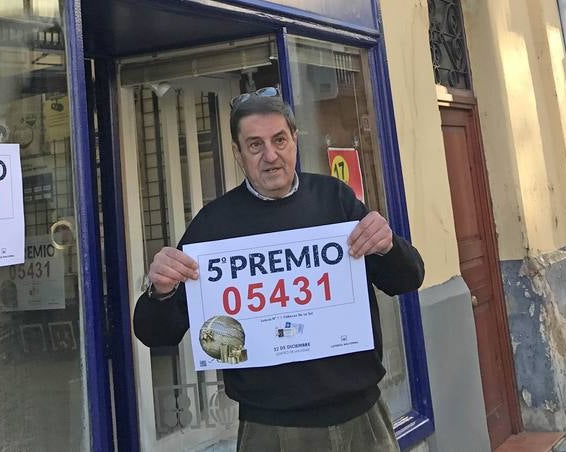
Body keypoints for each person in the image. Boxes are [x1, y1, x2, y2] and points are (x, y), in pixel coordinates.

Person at [132, 89, 425, 451]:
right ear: (238, 155)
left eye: (279, 140)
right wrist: (160, 289)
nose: (271, 156)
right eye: (254, 146)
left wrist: (388, 244)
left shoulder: (335, 200)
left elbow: (408, 278)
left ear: (295, 141)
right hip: (272, 429)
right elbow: (154, 332)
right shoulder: (213, 227)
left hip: (362, 418)